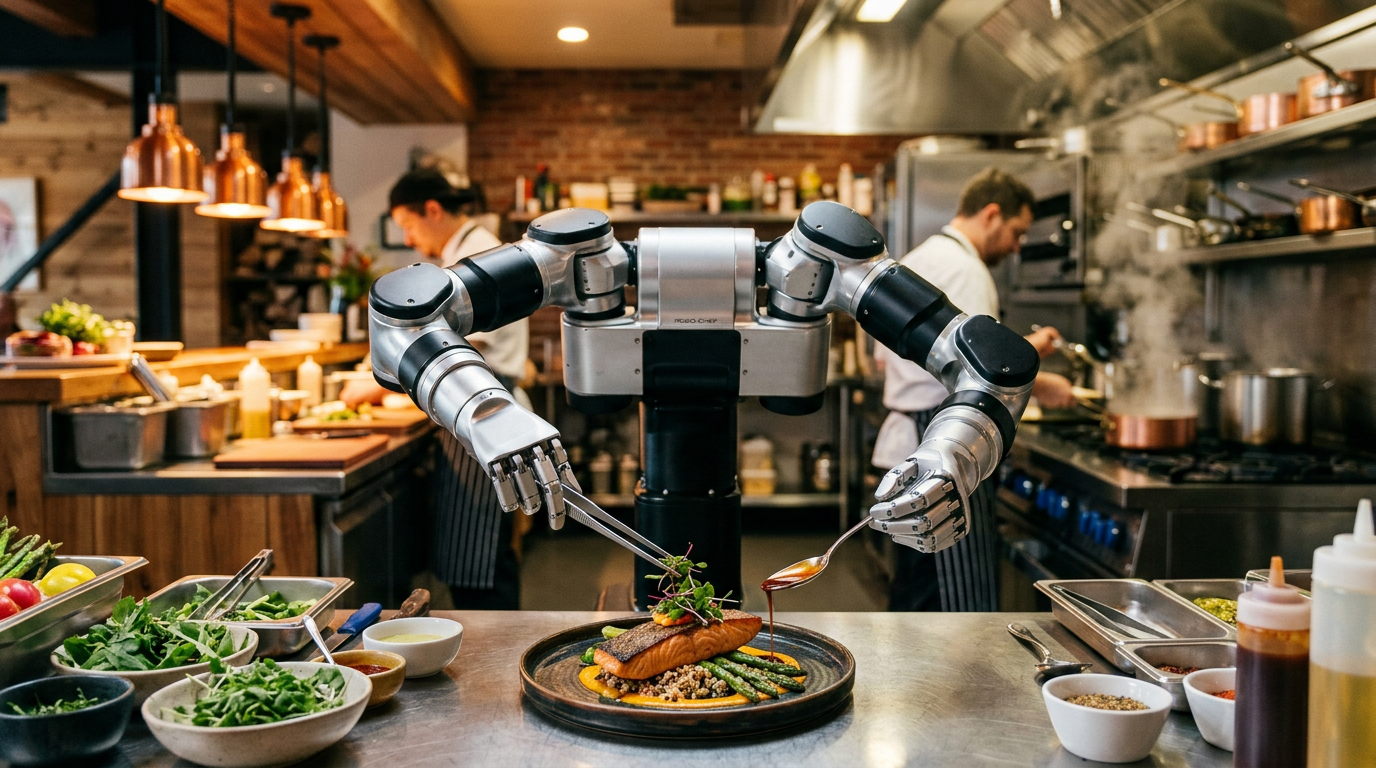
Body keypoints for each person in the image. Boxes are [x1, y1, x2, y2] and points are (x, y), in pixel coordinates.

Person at [873, 167, 1076, 612]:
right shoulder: (967, 270)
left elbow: (889, 358)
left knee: (917, 593)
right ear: (991, 214)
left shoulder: (919, 260)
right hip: (950, 448)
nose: (1018, 246)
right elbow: (984, 375)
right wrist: (1045, 385)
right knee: (955, 606)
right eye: (1017, 232)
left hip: (914, 444)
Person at [342, 168, 529, 609]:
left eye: (407, 225)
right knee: (478, 562)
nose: (408, 239)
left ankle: (498, 646)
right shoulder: (469, 250)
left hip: (479, 413)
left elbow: (456, 350)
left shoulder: (473, 256)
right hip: (478, 413)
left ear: (432, 210)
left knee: (479, 566)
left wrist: (378, 387)